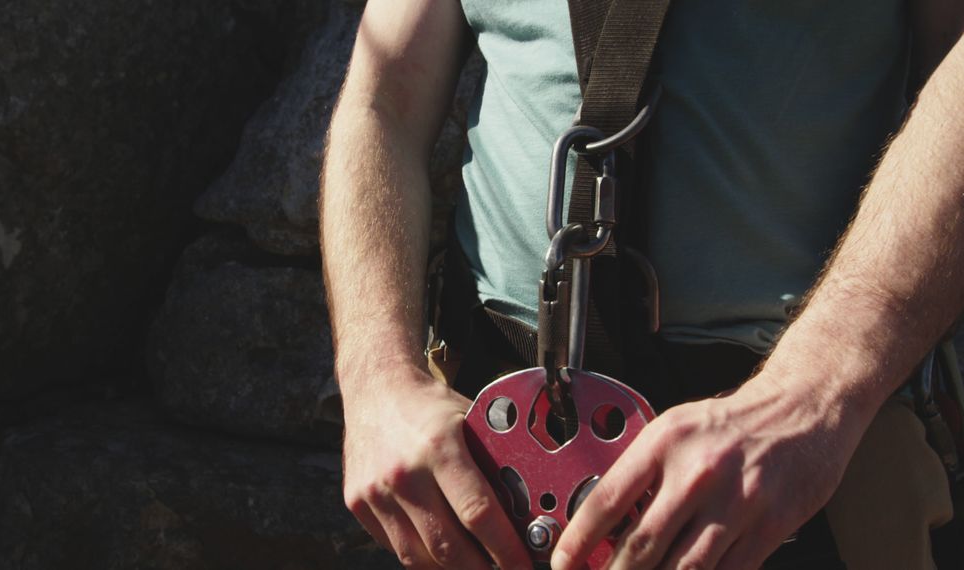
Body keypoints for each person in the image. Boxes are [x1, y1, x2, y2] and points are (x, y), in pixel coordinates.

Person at [320, 1, 964, 568]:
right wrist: (377, 381)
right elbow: (385, 95)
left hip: (792, 482)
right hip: (488, 465)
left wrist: (816, 396)